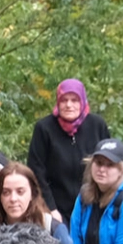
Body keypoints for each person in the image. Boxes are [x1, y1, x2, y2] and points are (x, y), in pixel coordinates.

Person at [29, 77, 110, 228]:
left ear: (82, 101)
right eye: (64, 100)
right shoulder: (44, 128)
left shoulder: (97, 125)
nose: (69, 105)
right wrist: (51, 208)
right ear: (58, 102)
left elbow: (110, 164)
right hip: (56, 207)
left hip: (94, 205)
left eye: (74, 100)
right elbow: (36, 171)